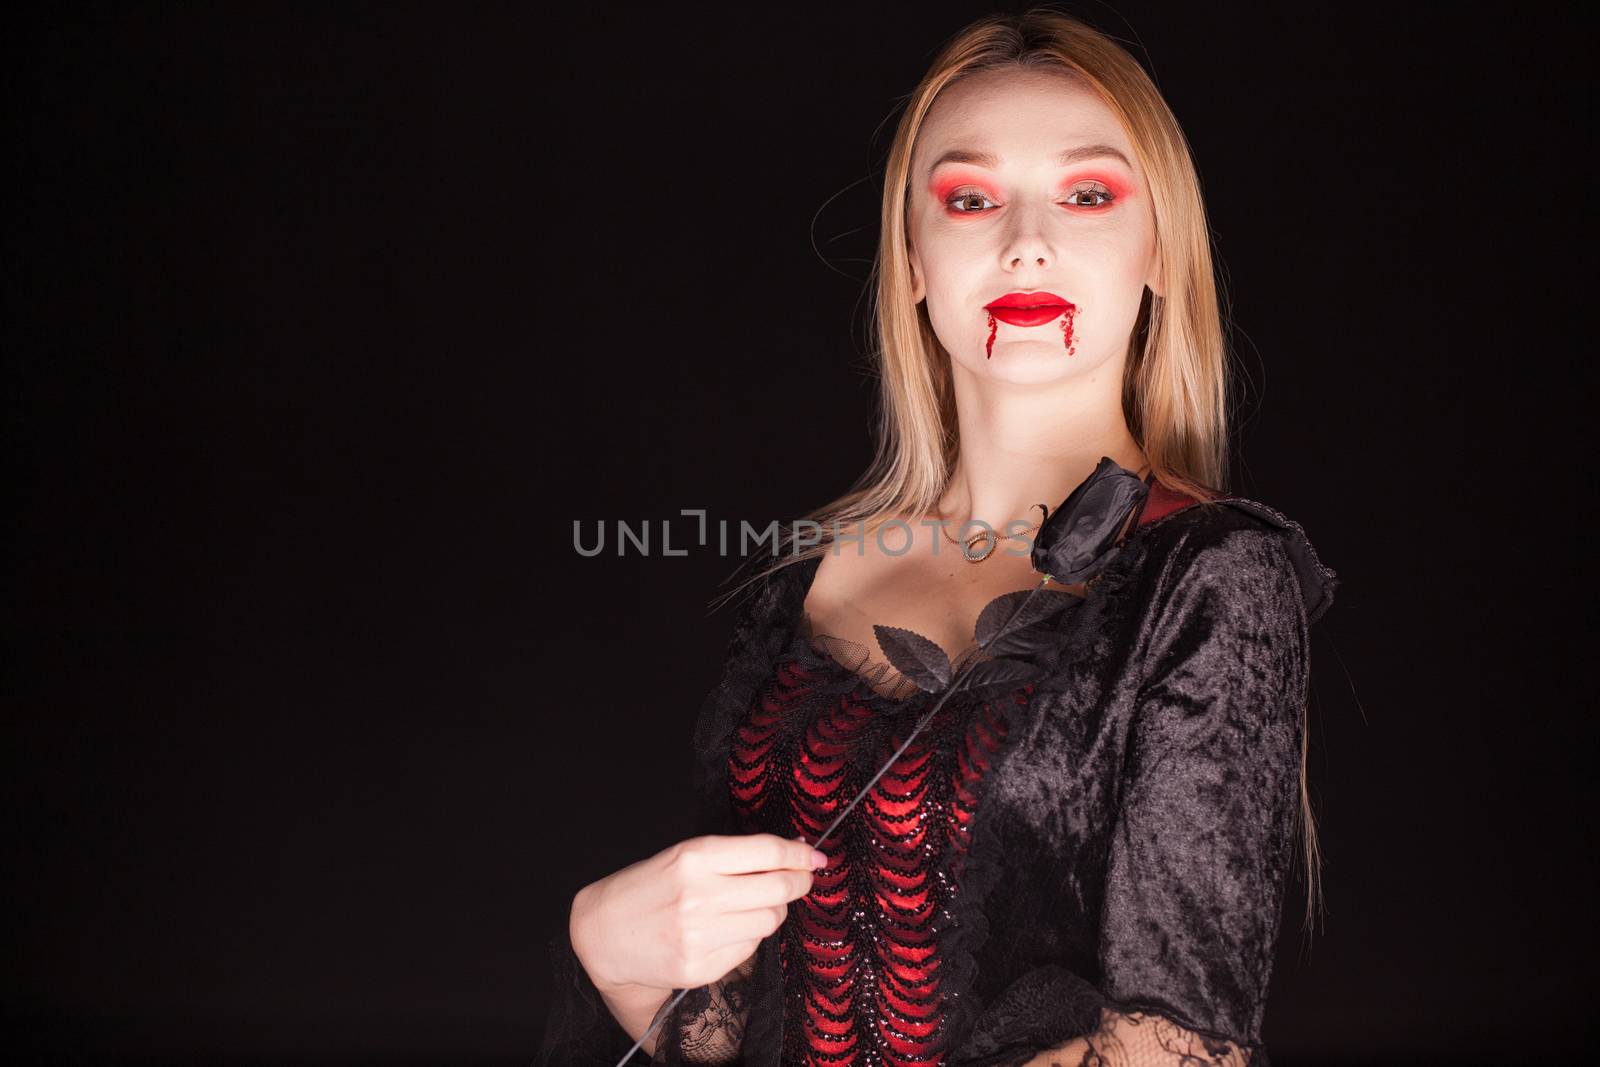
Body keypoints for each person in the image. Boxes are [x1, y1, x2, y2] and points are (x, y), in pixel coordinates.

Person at [537, 8, 1338, 1066]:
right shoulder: (797, 586)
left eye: (1088, 193)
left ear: (1159, 252)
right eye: (969, 198)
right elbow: (734, 1031)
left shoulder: (1208, 576)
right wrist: (616, 950)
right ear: (913, 261)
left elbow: (1179, 1044)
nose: (1026, 239)